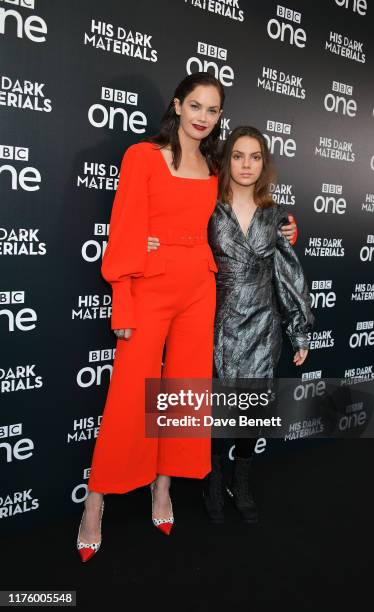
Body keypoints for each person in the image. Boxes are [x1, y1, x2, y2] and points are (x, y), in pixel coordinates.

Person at [76, 72, 226, 562]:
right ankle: (94, 501)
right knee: (127, 396)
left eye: (213, 110)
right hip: (149, 287)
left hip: (199, 288)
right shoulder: (143, 156)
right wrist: (122, 295)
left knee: (182, 391)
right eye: (197, 106)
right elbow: (124, 227)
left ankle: (162, 489)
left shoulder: (215, 166)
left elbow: (245, 211)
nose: (204, 117)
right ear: (178, 106)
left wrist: (285, 227)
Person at [148, 126, 313, 525]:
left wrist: (299, 328)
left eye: (255, 157)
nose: (246, 164)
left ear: (264, 163)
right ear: (227, 162)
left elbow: (288, 275)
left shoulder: (276, 215)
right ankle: (213, 478)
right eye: (238, 155)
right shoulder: (208, 205)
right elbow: (178, 234)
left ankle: (242, 480)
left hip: (261, 325)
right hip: (213, 321)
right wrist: (150, 241)